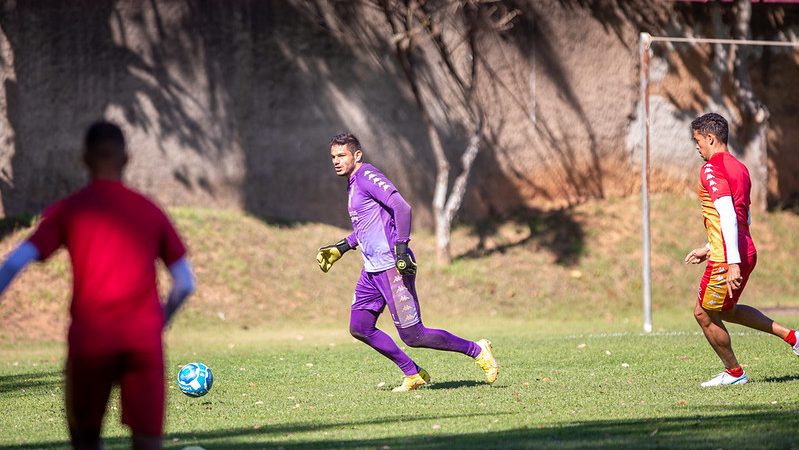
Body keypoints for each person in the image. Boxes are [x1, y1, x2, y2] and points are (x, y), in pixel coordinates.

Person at [0, 121, 195, 449]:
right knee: (148, 441)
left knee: (85, 439)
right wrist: (158, 322)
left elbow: (16, 262)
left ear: (84, 159)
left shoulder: (70, 210)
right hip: (142, 340)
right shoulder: (150, 211)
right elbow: (186, 283)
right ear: (127, 158)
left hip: (91, 340)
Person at [316, 132, 498, 392]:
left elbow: (402, 208)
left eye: (341, 155)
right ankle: (413, 374)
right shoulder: (352, 183)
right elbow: (368, 227)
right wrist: (342, 247)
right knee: (360, 327)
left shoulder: (367, 176)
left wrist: (401, 250)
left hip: (392, 267)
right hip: (372, 271)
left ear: (357, 155)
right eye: (333, 156)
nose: (336, 161)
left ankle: (477, 350)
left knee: (415, 336)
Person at [684, 113, 798, 387]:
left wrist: (729, 261)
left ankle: (734, 373)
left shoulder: (711, 169)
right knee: (727, 309)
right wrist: (708, 247)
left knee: (703, 313)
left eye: (697, 141)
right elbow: (743, 218)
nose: (697, 147)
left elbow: (727, 214)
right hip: (744, 250)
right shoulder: (740, 168)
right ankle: (793, 337)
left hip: (729, 257)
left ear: (710, 138)